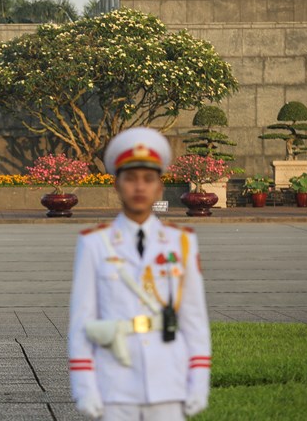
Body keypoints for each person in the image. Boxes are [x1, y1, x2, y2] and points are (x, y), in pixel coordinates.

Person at [68, 127, 211, 420]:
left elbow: (194, 319)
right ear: (116, 186)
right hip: (116, 380)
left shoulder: (181, 242)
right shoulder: (95, 243)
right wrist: (85, 386)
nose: (139, 187)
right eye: (130, 179)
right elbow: (82, 321)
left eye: (148, 179)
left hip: (168, 379)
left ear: (159, 187)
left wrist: (198, 381)